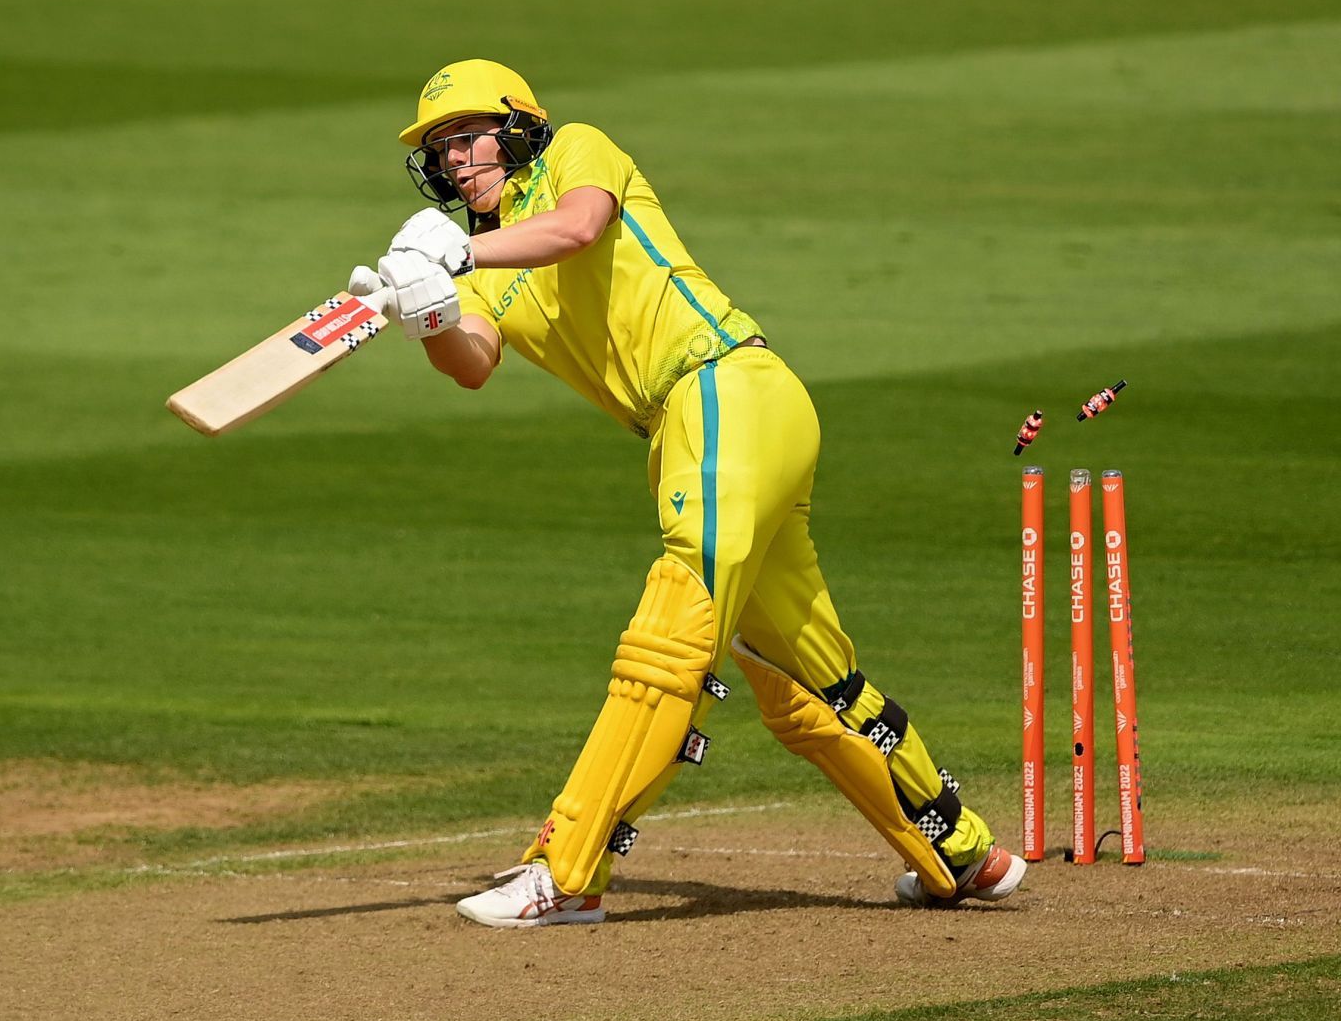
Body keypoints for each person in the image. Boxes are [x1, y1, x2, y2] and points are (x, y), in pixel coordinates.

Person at [349, 59, 1026, 928]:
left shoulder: (577, 154)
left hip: (725, 391)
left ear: (517, 126)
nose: (452, 160)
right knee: (804, 677)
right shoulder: (477, 266)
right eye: (437, 150)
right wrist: (429, 311)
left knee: (668, 638)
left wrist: (460, 249)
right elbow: (472, 365)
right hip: (697, 430)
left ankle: (568, 870)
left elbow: (578, 229)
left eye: (464, 135)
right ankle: (963, 853)